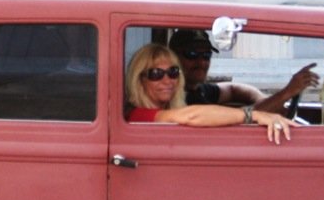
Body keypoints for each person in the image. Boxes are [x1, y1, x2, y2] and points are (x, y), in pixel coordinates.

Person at [123, 44, 291, 141]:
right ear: (140, 80)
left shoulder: (169, 109)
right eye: (156, 74)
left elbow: (233, 90)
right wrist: (252, 115)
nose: (167, 80)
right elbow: (191, 116)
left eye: (173, 72)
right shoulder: (138, 115)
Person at [168, 30, 318, 115]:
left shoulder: (198, 90)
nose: (201, 62)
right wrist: (287, 93)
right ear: (173, 57)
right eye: (192, 54)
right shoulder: (174, 96)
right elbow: (241, 118)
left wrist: (261, 99)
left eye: (206, 55)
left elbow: (234, 89)